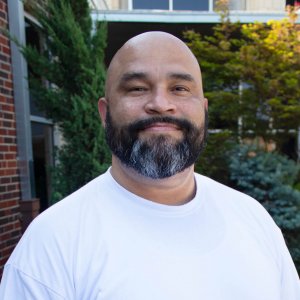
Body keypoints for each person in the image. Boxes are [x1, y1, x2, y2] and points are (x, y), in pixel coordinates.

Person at [0, 31, 299, 299]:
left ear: (203, 111)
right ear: (105, 113)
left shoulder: (253, 219)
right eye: (137, 88)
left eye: (180, 88)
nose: (160, 103)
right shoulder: (51, 245)